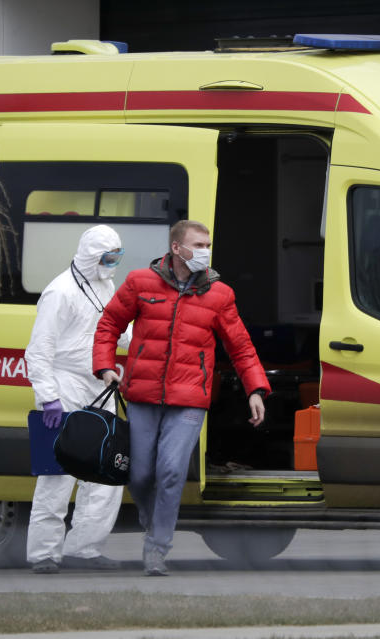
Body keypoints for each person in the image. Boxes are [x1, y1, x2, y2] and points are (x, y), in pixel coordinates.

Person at [92, 220, 270, 576]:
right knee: (140, 475)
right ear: (176, 248)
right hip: (142, 395)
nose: (205, 250)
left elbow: (241, 346)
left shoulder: (220, 294)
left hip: (189, 399)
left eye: (208, 244)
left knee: (171, 471)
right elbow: (109, 323)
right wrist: (105, 366)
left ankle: (157, 548)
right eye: (198, 244)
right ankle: (151, 519)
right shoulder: (140, 283)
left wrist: (255, 388)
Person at [25, 224, 132, 574]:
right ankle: (43, 554)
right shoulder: (60, 292)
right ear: (91, 256)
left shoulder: (104, 283)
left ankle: (84, 549)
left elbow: (117, 329)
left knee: (105, 465)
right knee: (57, 471)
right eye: (108, 257)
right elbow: (38, 351)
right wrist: (48, 397)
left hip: (99, 381)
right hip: (64, 383)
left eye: (117, 256)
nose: (113, 263)